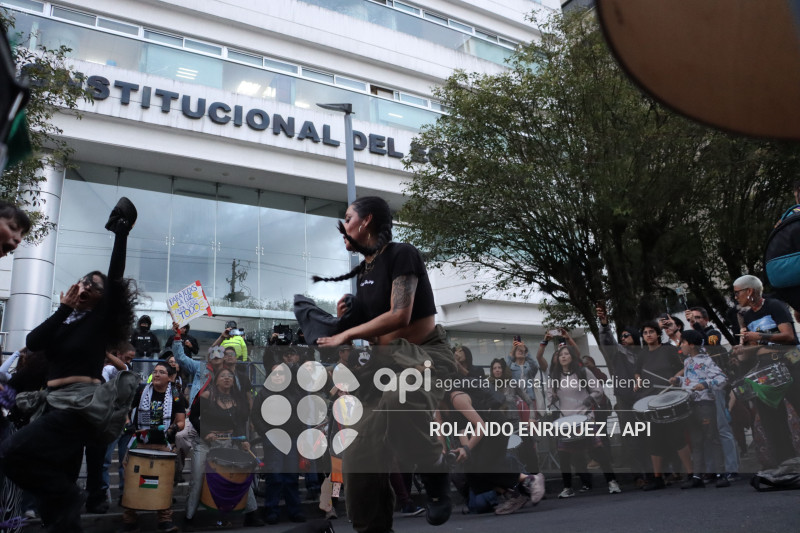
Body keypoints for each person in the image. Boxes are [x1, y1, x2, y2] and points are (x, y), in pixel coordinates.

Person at [312, 196, 457, 532]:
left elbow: (400, 314)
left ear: (367, 222)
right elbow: (375, 331)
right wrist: (346, 317)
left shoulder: (402, 254)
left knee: (400, 400)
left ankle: (435, 473)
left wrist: (346, 332)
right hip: (386, 365)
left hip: (425, 355)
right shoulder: (365, 272)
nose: (343, 227)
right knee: (358, 456)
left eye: (348, 219)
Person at [0, 197, 139, 533]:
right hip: (51, 407)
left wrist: (121, 235)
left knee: (11, 454)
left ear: (102, 299)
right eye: (85, 280)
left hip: (77, 410)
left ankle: (67, 496)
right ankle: (63, 509)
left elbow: (116, 280)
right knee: (58, 512)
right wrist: (63, 308)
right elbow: (34, 342)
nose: (87, 284)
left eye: (95, 284)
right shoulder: (66, 322)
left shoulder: (99, 321)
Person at [732, 274, 800, 466]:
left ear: (750, 291)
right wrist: (741, 350)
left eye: (737, 292)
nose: (735, 296)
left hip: (788, 363)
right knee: (772, 420)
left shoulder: (774, 306)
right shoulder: (746, 315)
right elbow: (752, 348)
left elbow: (790, 337)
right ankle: (786, 464)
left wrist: (760, 336)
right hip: (764, 368)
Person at [186, 368, 263, 528]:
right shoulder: (207, 395)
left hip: (229, 442)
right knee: (198, 478)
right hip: (205, 443)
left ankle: (251, 514)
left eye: (230, 376)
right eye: (223, 376)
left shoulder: (237, 399)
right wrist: (206, 433)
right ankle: (189, 518)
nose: (227, 378)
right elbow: (193, 416)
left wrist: (243, 439)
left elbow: (240, 423)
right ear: (217, 379)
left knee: (241, 475)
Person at [547, 344, 621, 498]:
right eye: (561, 354)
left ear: (572, 356)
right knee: (564, 455)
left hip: (585, 417)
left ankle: (612, 482)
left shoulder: (583, 372)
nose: (563, 356)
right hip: (565, 421)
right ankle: (567, 487)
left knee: (597, 450)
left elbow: (598, 389)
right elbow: (549, 396)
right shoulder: (554, 377)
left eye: (566, 354)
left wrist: (590, 399)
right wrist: (552, 398)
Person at [120, 361, 185, 533]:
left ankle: (165, 520)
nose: (156, 374)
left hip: (162, 444)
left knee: (164, 482)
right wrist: (128, 424)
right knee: (132, 482)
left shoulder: (176, 395)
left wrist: (172, 430)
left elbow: (181, 422)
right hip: (140, 442)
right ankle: (129, 521)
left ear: (170, 378)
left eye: (161, 372)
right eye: (155, 371)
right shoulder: (141, 391)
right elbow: (125, 409)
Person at [634, 321, 693, 490]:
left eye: (651, 331)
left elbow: (685, 366)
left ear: (658, 334)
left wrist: (676, 377)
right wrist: (638, 381)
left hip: (669, 399)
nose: (648, 335)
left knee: (677, 437)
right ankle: (658, 478)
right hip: (650, 401)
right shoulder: (642, 354)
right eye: (645, 333)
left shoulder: (669, 350)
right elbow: (638, 371)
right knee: (654, 440)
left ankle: (691, 473)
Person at [685, 306, 739, 480]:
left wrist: (696, 328)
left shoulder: (712, 333)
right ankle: (713, 469)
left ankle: (731, 468)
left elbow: (710, 342)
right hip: (702, 397)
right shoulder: (691, 350)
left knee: (723, 430)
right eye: (691, 319)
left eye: (698, 318)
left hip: (718, 390)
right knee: (707, 434)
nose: (694, 321)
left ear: (706, 319)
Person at [596, 305, 648, 486]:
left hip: (645, 398)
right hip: (625, 400)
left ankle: (657, 473)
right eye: (622, 336)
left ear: (635, 337)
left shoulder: (644, 354)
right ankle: (639, 476)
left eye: (627, 335)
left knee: (649, 436)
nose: (623, 338)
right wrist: (604, 324)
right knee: (631, 438)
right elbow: (607, 341)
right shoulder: (617, 353)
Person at [673, 329, 730, 489]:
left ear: (691, 344)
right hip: (690, 405)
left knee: (712, 437)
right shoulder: (687, 362)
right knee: (696, 441)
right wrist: (678, 379)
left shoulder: (706, 361)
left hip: (705, 404)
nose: (681, 346)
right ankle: (697, 475)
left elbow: (721, 378)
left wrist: (705, 385)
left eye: (683, 342)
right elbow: (691, 379)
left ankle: (721, 473)